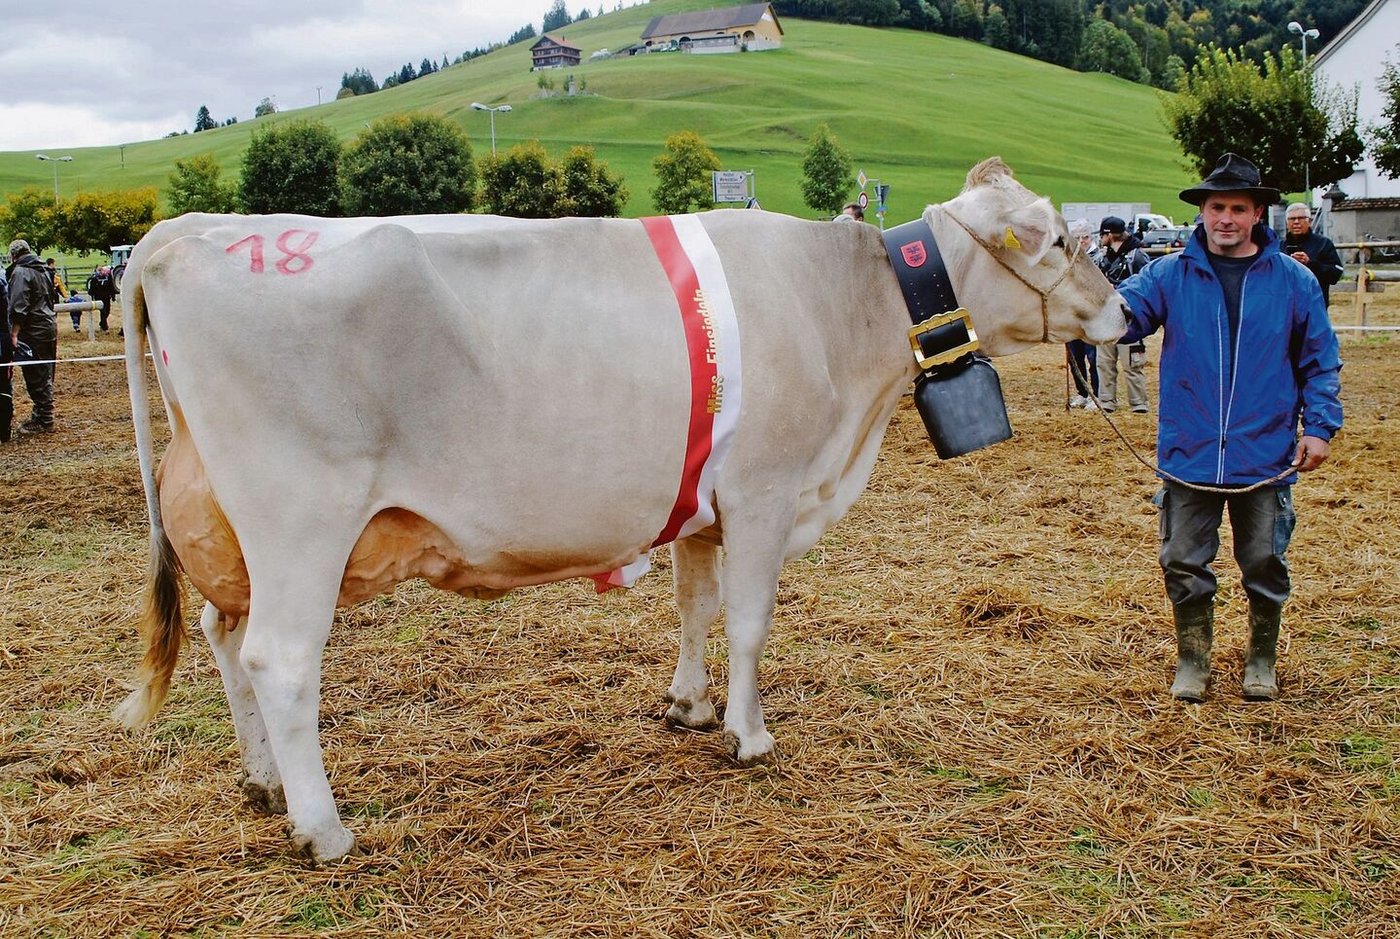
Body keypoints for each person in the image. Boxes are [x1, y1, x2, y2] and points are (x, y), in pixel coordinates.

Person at [1116, 153, 1342, 703]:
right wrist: (1074, 303)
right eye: (1217, 207)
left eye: (1238, 209)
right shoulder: (1169, 274)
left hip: (1264, 454)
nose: (1225, 218)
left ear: (1257, 213)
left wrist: (1319, 427)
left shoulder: (1294, 281)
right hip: (1189, 451)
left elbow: (1320, 361)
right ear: (1203, 211)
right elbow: (1122, 319)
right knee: (1182, 560)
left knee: (1264, 560)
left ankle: (1261, 657)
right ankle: (1193, 660)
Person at [1094, 216, 1151, 414]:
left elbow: (1146, 286)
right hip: (1105, 318)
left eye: (1102, 234)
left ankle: (1138, 403)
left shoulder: (1137, 257)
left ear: (1109, 235)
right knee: (1104, 362)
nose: (1100, 239)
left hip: (1130, 319)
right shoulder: (1101, 258)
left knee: (1132, 364)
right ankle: (1106, 401)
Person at [7, 239, 59, 434]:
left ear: (14, 255)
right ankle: (42, 414)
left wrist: (14, 333)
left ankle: (44, 419)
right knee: (46, 372)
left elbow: (19, 305)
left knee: (35, 374)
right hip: (48, 326)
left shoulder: (21, 272)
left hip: (33, 331)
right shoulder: (44, 269)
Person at [1065, 219, 1099, 409]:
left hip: (1092, 317)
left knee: (1093, 357)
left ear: (1090, 237)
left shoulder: (1098, 258)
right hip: (1073, 317)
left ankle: (1097, 394)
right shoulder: (1068, 259)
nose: (1081, 241)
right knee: (1075, 358)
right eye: (1077, 238)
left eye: (1084, 237)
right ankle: (1082, 393)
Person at [1282, 202, 1343, 307]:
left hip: (1315, 304)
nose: (1296, 222)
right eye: (1292, 219)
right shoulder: (1279, 246)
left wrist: (1310, 264)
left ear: (1309, 221)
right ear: (1287, 223)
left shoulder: (1323, 244)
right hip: (1285, 306)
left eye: (1301, 218)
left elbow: (1336, 275)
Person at [86, 264, 117, 331]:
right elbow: (92, 289)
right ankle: (105, 327)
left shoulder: (108, 277)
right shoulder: (94, 279)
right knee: (103, 312)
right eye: (99, 270)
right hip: (99, 298)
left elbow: (111, 287)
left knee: (107, 311)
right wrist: (92, 296)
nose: (100, 271)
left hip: (107, 297)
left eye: (101, 270)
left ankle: (102, 323)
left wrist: (113, 296)